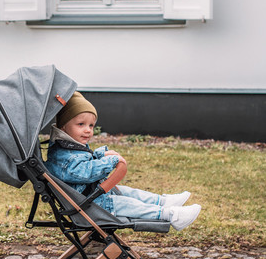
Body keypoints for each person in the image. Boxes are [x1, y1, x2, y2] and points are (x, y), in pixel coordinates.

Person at [45, 92, 201, 230]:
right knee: (131, 205)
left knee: (127, 191)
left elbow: (85, 162)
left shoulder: (67, 148)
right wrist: (111, 161)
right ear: (63, 127)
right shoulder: (63, 156)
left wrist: (102, 154)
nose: (88, 130)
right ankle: (171, 215)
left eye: (91, 125)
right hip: (92, 205)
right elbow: (85, 172)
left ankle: (163, 201)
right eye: (81, 124)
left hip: (92, 195)